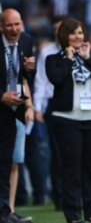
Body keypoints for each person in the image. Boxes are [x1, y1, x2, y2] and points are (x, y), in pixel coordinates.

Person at [45, 17, 91, 223]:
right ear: (64, 36)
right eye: (73, 33)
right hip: (67, 120)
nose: (77, 36)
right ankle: (73, 215)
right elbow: (57, 79)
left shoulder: (89, 56)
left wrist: (88, 57)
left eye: (80, 33)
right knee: (71, 169)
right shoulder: (53, 59)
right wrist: (68, 58)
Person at [0, 8, 36, 223]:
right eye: (9, 25)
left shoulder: (26, 40)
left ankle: (5, 212)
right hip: (2, 103)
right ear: (1, 26)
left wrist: (30, 70)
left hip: (12, 111)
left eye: (17, 24)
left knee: (6, 162)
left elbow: (25, 77)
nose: (14, 29)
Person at [33, 15, 65, 210]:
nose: (57, 33)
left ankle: (74, 193)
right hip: (53, 104)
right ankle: (59, 196)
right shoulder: (47, 52)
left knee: (75, 152)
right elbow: (41, 82)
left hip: (76, 103)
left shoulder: (81, 50)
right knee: (58, 153)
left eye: (60, 29)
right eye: (55, 29)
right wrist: (37, 108)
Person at [9, 79, 33, 223]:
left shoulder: (18, 55)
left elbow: (21, 77)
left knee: (15, 163)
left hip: (17, 112)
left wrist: (29, 105)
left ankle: (9, 209)